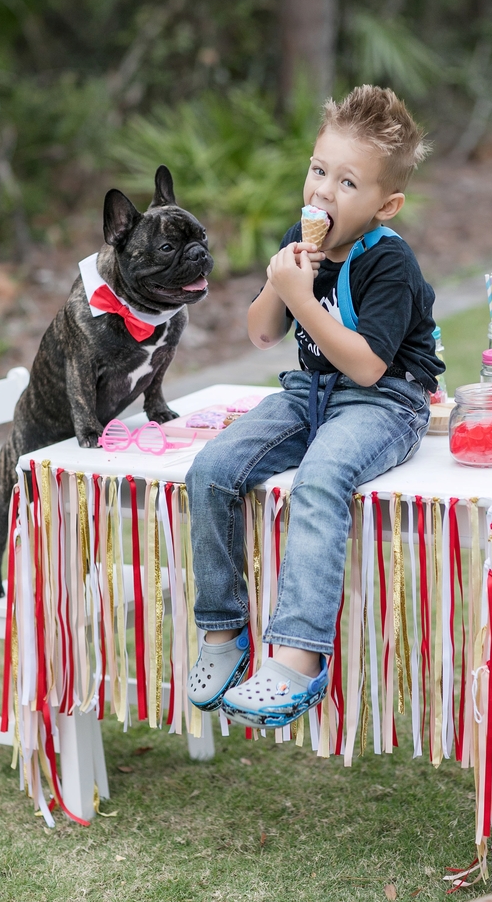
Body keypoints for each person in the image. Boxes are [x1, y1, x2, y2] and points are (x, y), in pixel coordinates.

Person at [185, 85, 444, 728]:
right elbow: (262, 334)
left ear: (386, 204)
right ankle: (222, 632)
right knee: (210, 469)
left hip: (385, 402)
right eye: (318, 170)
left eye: (347, 182)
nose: (324, 190)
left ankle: (298, 658)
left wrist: (304, 299)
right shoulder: (300, 242)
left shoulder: (389, 260)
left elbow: (367, 365)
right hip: (311, 394)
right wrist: (284, 280)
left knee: (321, 479)